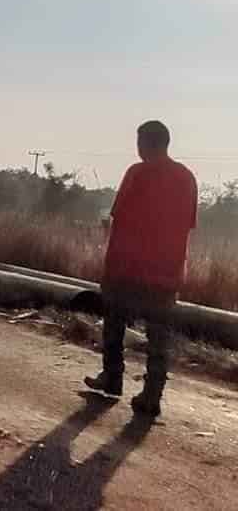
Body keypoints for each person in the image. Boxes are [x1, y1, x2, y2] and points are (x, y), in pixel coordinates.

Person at [85, 120, 197, 417]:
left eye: (139, 142)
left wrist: (109, 269)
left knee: (114, 326)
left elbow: (120, 222)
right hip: (167, 273)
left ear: (145, 143)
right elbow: (187, 226)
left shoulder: (137, 173)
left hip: (129, 270)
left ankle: (112, 378)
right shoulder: (186, 178)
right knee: (159, 337)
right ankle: (152, 396)